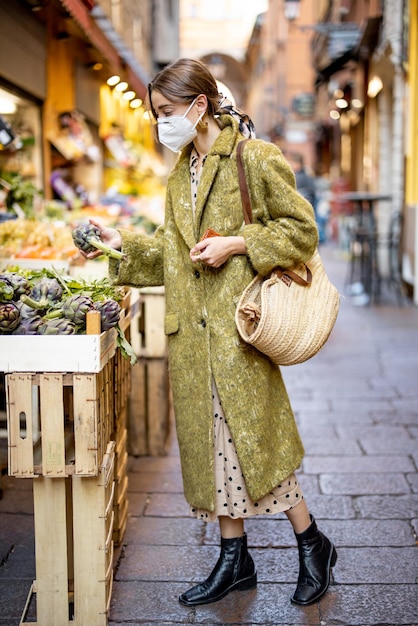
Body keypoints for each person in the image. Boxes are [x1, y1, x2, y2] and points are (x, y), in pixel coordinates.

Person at [78, 58, 337, 608]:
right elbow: (170, 258)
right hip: (194, 340)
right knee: (214, 449)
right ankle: (233, 557)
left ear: (199, 107)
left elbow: (301, 232)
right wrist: (116, 243)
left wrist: (237, 243)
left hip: (240, 331)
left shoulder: (255, 157)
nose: (160, 125)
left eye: (167, 113)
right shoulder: (179, 176)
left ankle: (312, 543)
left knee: (257, 445)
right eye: (156, 116)